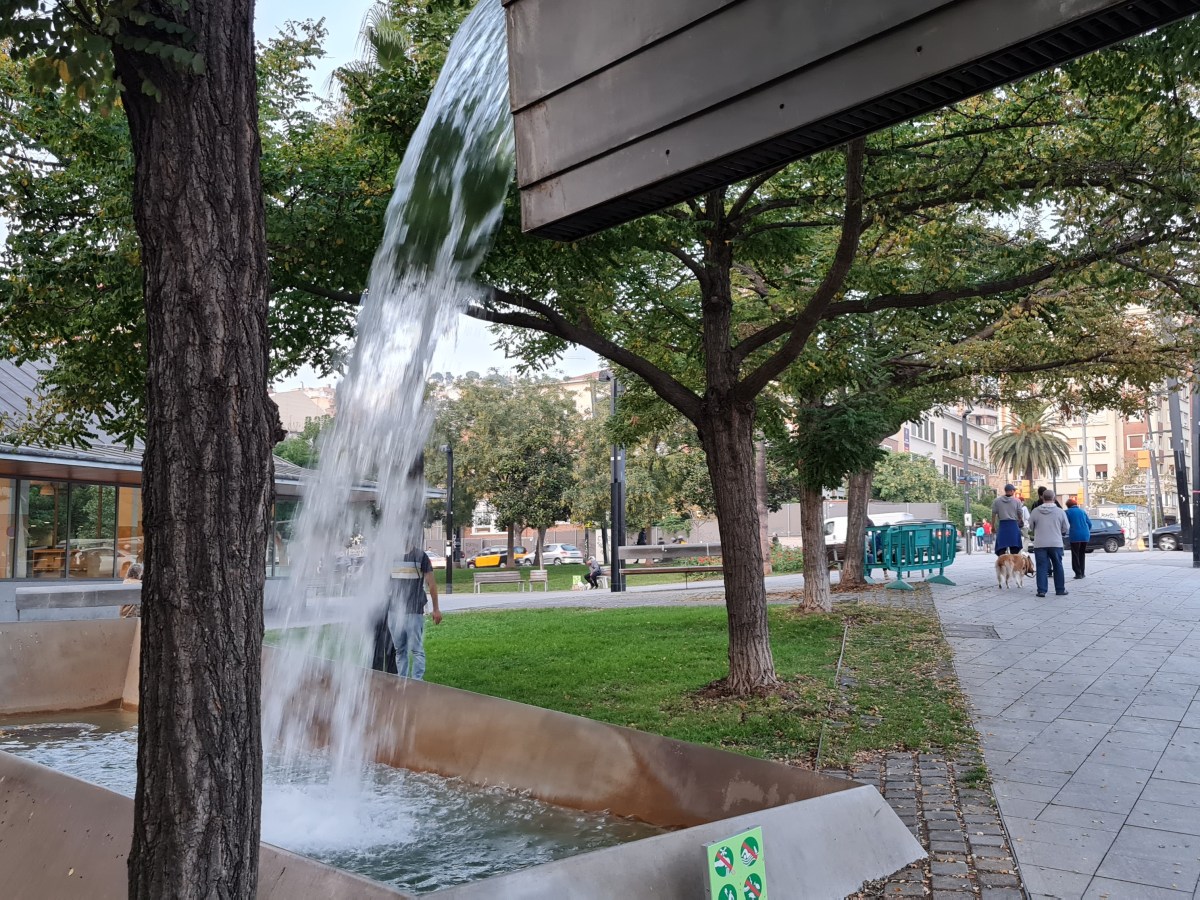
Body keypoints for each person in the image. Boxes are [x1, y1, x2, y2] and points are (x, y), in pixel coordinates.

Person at [386, 546, 442, 680]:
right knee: (400, 650)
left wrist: (436, 609)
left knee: (416, 650)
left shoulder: (420, 556)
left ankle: (417, 682)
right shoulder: (390, 556)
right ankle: (402, 681)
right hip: (394, 612)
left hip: (414, 611)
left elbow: (431, 584)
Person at [1029, 490, 1070, 597]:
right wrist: (1059, 531)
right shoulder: (1060, 511)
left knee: (1041, 566)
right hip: (1056, 542)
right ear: (1054, 498)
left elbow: (1030, 526)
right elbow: (1066, 527)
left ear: (1042, 498)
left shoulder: (1035, 511)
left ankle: (1041, 590)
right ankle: (1060, 589)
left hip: (1040, 543)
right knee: (1058, 565)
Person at [991, 483, 1026, 556]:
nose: (1014, 492)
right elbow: (1020, 513)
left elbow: (993, 514)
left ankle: (1003, 563)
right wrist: (1020, 520)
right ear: (1011, 491)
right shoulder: (1017, 501)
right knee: (1014, 548)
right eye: (1014, 490)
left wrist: (993, 526)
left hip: (1002, 526)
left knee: (1001, 548)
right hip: (1013, 525)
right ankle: (1013, 564)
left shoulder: (997, 501)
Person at [1065, 498, 1092, 580]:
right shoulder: (1083, 511)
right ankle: (1083, 572)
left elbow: (1065, 524)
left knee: (1075, 554)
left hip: (1075, 535)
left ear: (1068, 506)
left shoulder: (1067, 512)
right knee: (1082, 553)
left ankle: (1078, 573)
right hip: (1085, 535)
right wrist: (1086, 530)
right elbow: (1089, 524)